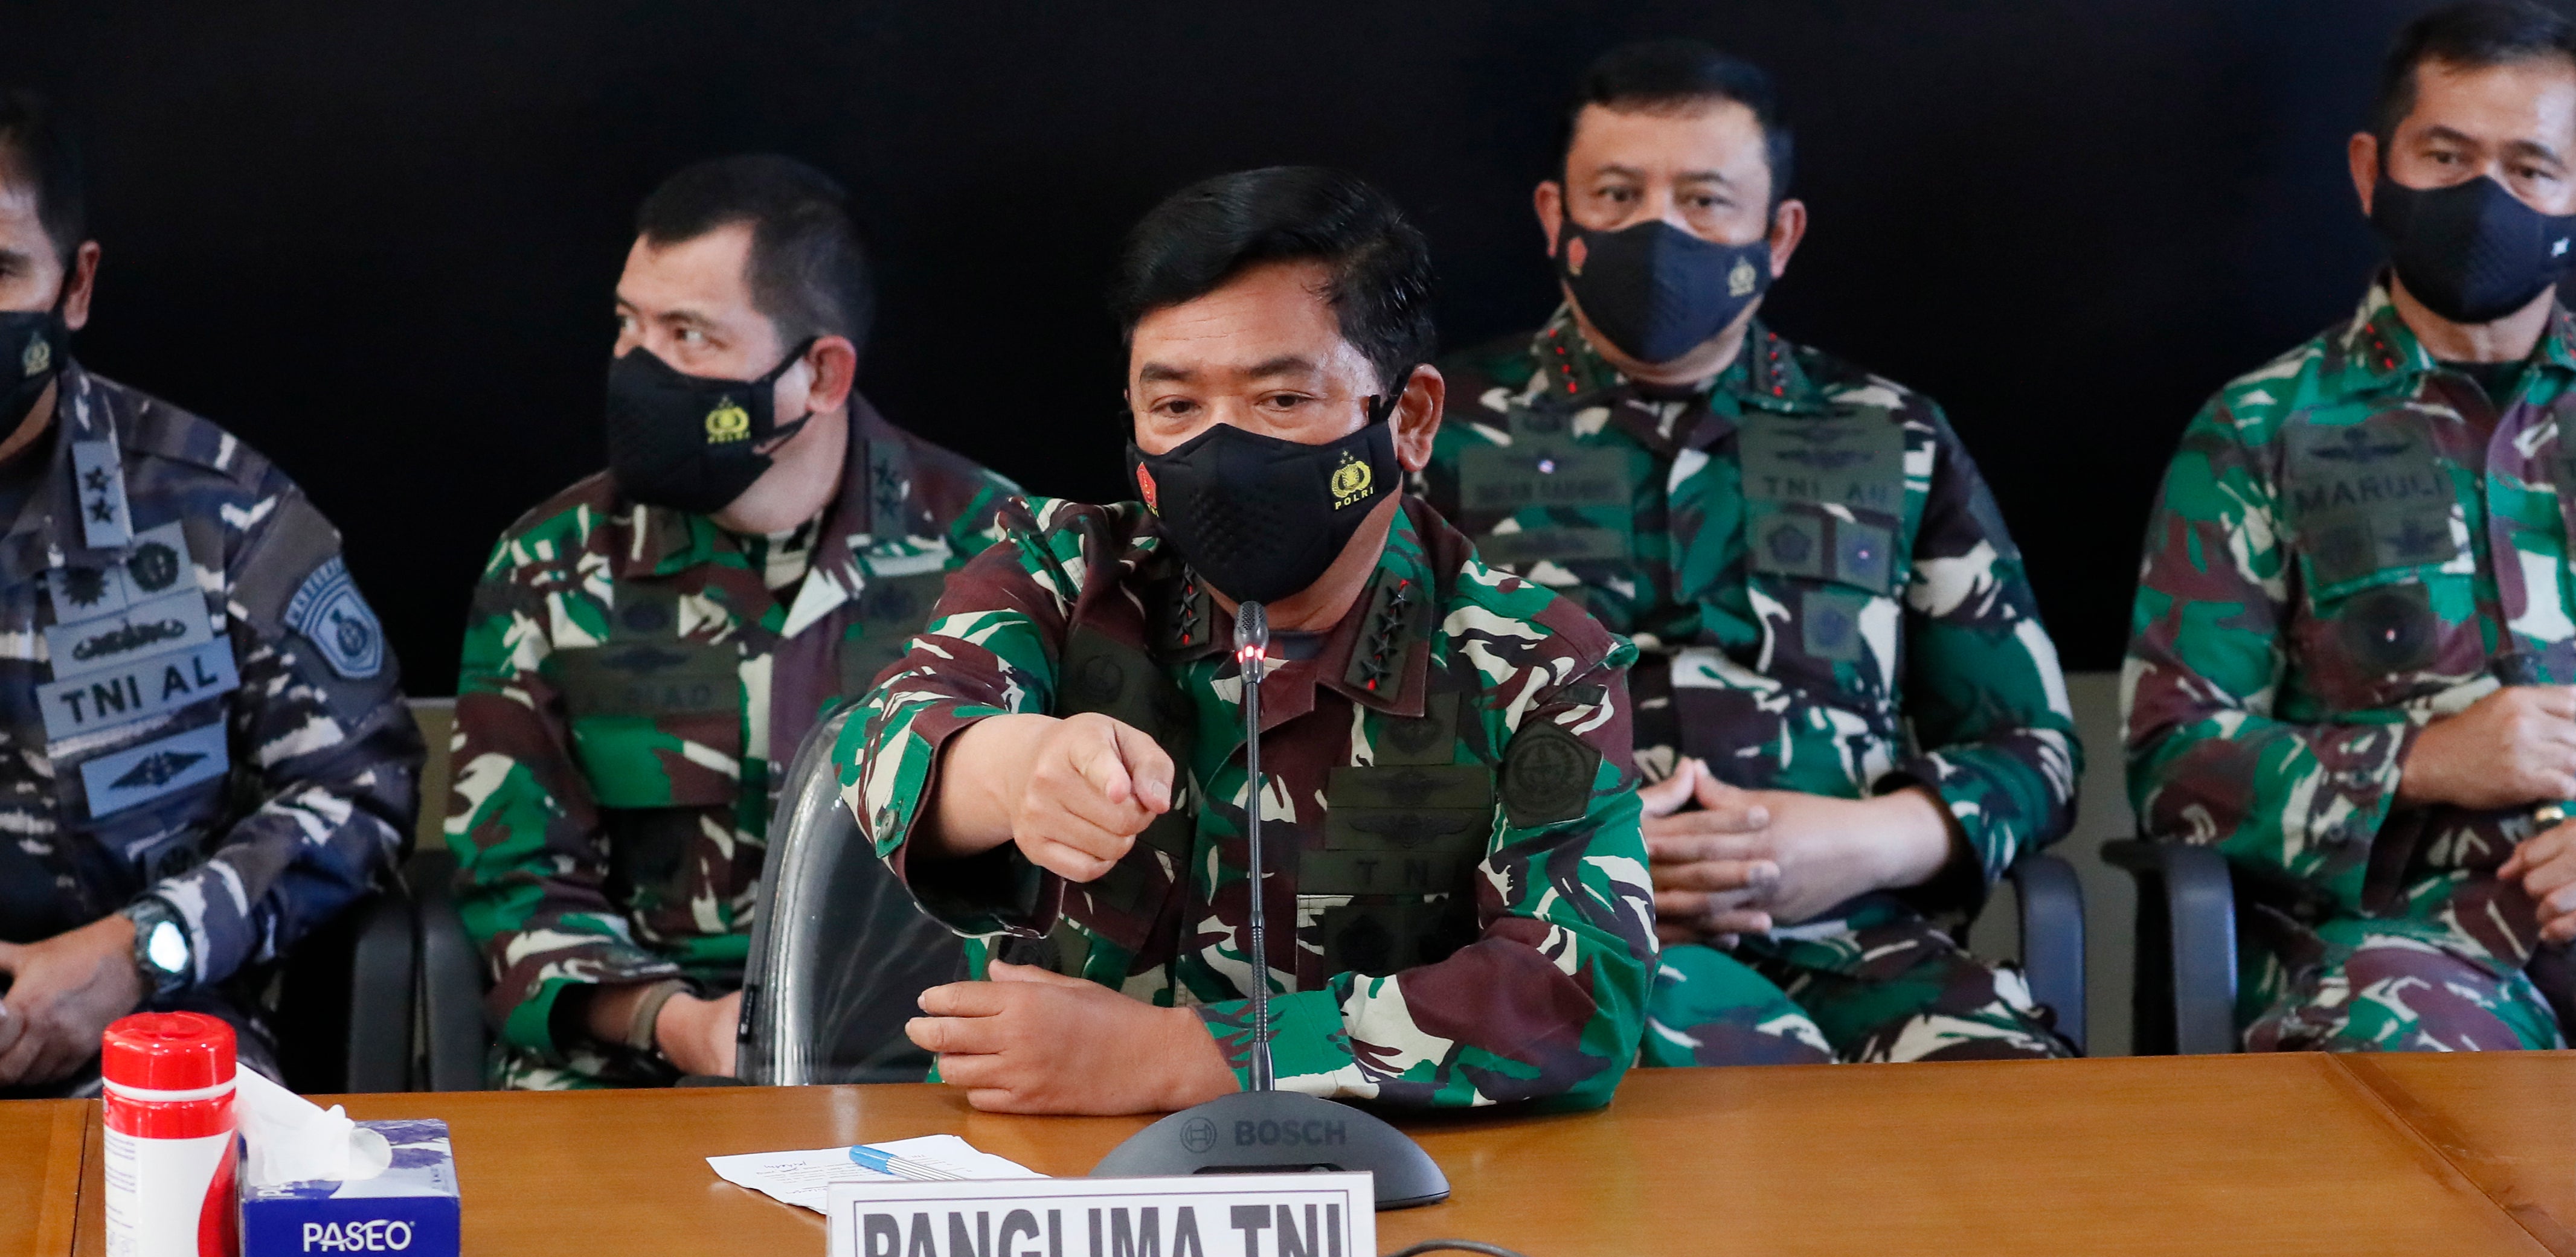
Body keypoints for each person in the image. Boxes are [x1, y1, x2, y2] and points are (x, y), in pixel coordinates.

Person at [835, 167, 1653, 1114]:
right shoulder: (1064, 574)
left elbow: (1576, 998)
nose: (1221, 457)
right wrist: (1013, 766)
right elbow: (882, 736)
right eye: (1175, 408)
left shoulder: (1535, 660)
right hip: (1067, 1185)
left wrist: (1187, 1057)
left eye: (1280, 401)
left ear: (1411, 418)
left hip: (1393, 1188)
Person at [2124, 1, 2576, 1052]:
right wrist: (2421, 762)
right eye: (2447, 157)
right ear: (2373, 171)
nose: (2484, 199)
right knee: (2390, 1097)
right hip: (2408, 950)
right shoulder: (2260, 431)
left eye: (2527, 169)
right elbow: (2174, 756)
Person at [1431, 40, 2080, 1067]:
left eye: (1703, 201)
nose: (1659, 232)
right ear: (1558, 219)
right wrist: (1576, 857)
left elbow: (2031, 749)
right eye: (1617, 194)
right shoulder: (1434, 435)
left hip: (1863, 942)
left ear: (1776, 236)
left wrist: (1854, 842)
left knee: (2025, 1138)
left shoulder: (1891, 435)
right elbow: (1337, 742)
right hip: (1557, 949)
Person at [449, 155, 1016, 1088]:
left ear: (821, 374)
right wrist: (672, 1023)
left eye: (689, 335)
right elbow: (513, 882)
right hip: (635, 1065)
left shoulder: (998, 557)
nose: (639, 369)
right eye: (629, 325)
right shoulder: (551, 563)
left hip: (923, 1072)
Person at [0, 89, 418, 1093]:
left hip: (138, 1050)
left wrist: (146, 948)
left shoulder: (214, 508)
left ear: (75, 286)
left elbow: (361, 786)